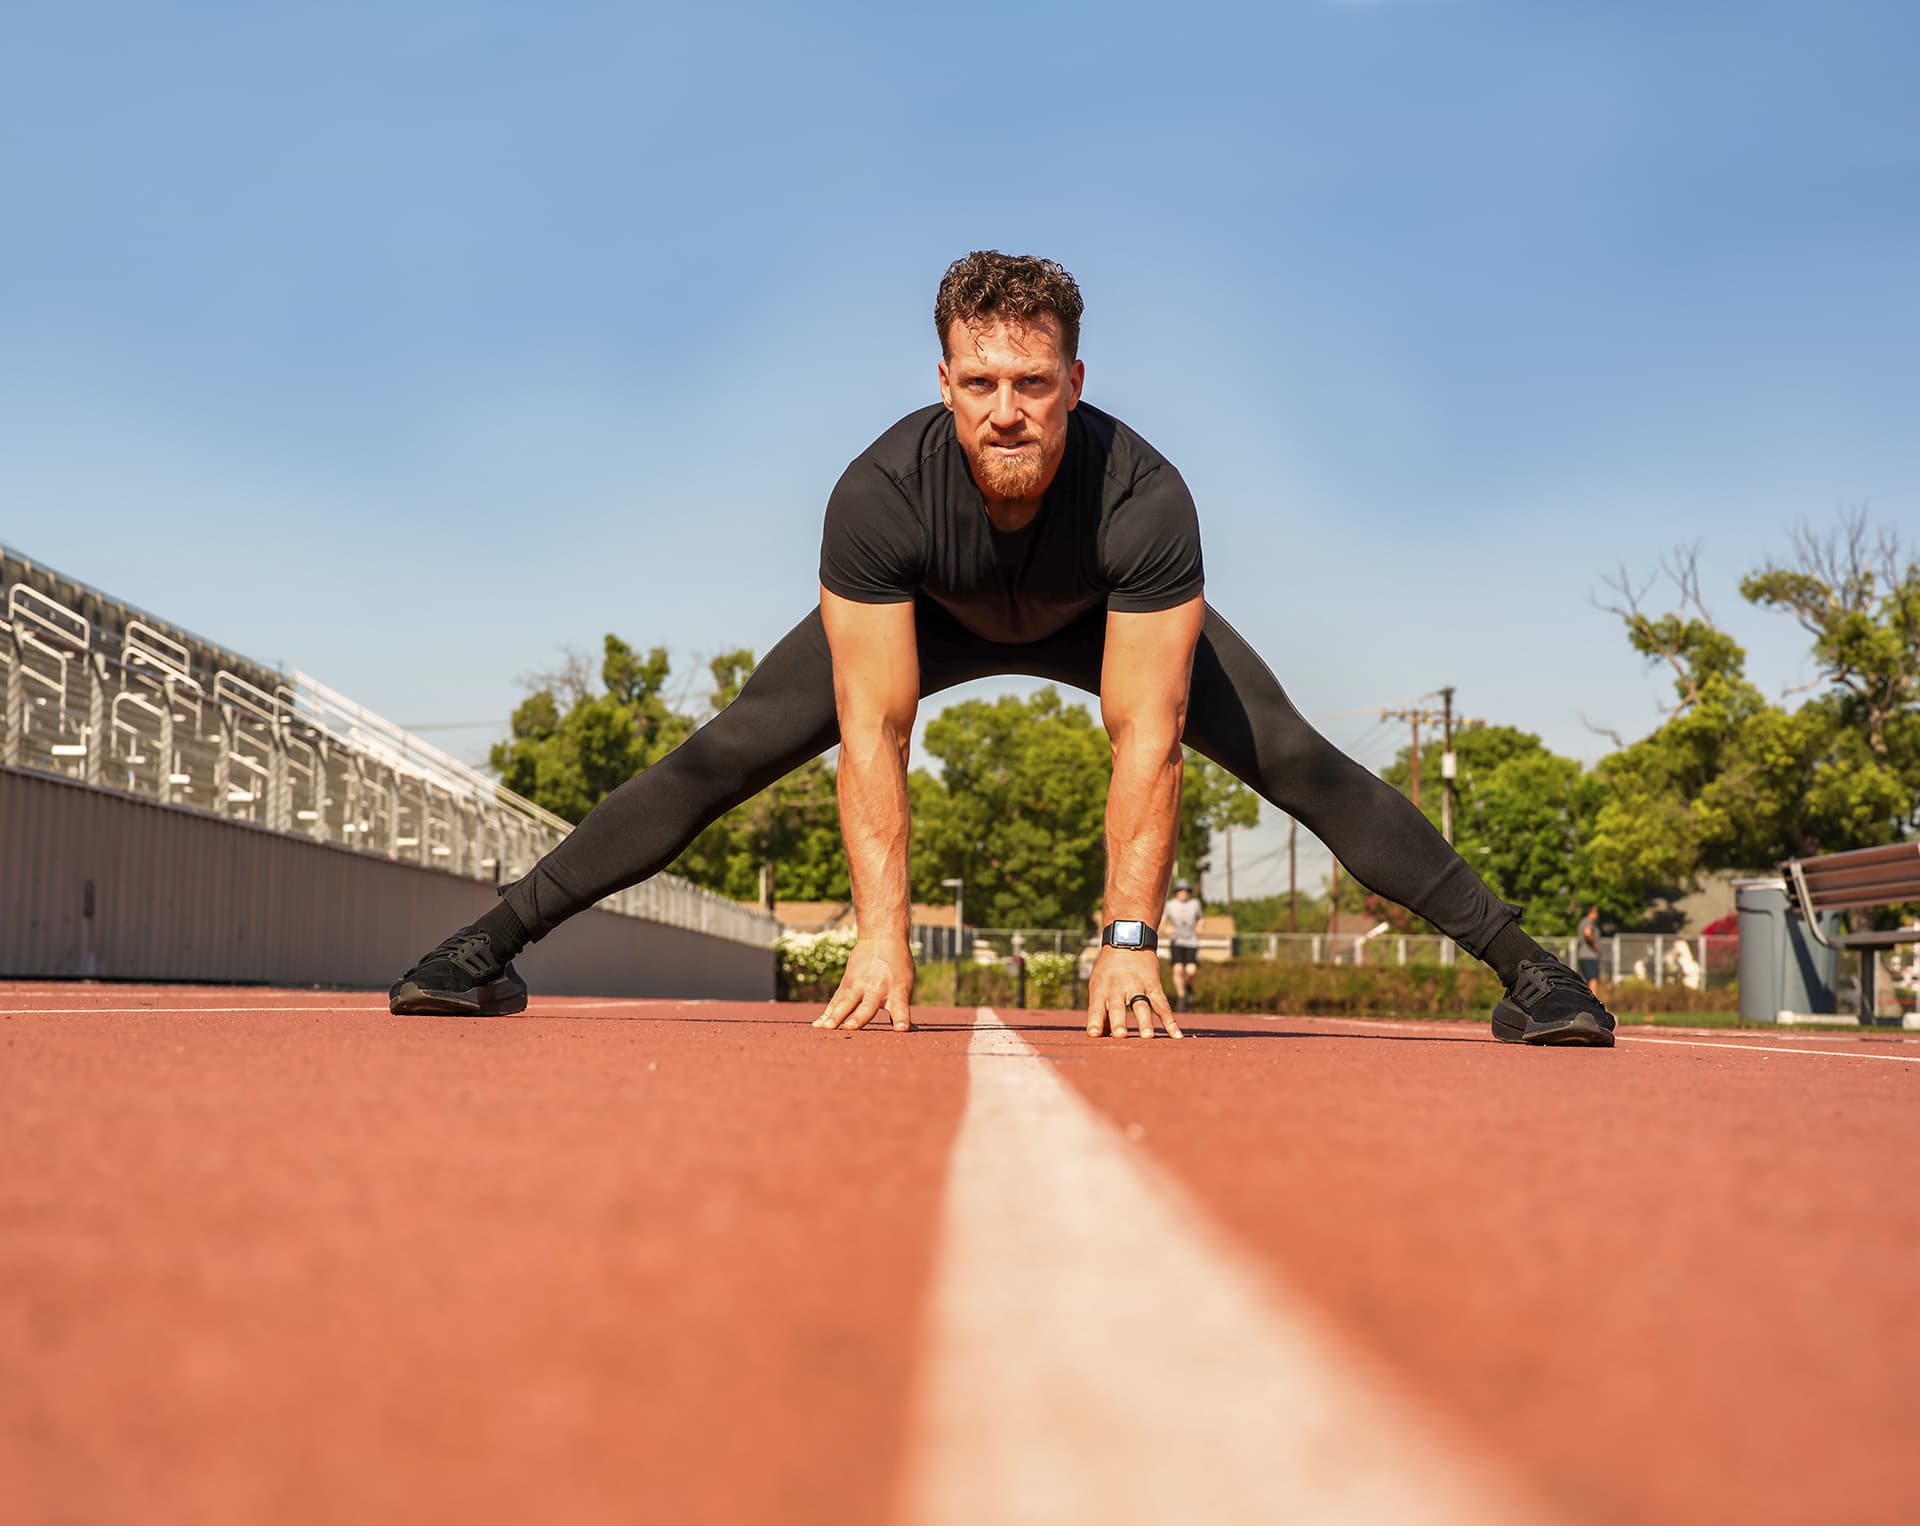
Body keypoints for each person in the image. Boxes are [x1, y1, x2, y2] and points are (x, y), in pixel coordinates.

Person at [389, 251, 1617, 1048]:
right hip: (925, 604)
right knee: (725, 752)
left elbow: (1148, 737)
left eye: (1032, 380)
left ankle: (1538, 973)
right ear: (943, 379)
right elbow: (876, 731)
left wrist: (1129, 939)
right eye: (979, 382)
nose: (1007, 408)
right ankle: (476, 949)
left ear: (1075, 379)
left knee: (1296, 755)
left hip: (1097, 606)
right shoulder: (877, 495)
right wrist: (882, 930)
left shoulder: (1144, 498)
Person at [1160, 879, 1204, 1014]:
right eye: (1180, 890)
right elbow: (1163, 921)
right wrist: (1167, 930)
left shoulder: (1195, 904)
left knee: (1191, 970)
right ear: (1176, 892)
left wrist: (1200, 927)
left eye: (1185, 890)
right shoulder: (1170, 905)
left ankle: (1189, 986)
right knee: (1178, 969)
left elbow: (1201, 918)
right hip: (1177, 941)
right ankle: (1181, 997)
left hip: (1191, 941)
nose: (1183, 893)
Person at [1578, 904, 1603, 994]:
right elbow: (1587, 933)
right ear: (1591, 912)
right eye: (1596, 912)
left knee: (1586, 980)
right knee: (1593, 979)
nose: (1597, 914)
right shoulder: (1588, 922)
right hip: (1589, 955)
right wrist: (1594, 946)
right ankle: (1594, 1003)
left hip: (1585, 956)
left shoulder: (1584, 922)